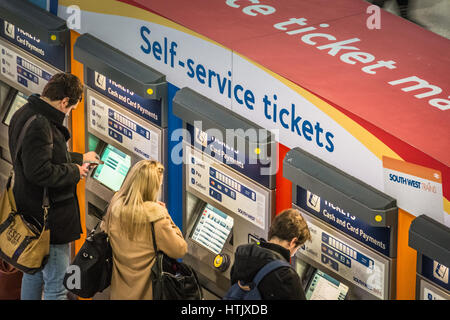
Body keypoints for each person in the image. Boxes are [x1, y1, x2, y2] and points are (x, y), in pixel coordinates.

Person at [8, 73, 99, 300]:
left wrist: (78, 158)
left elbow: (43, 155)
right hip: (49, 219)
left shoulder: (24, 112)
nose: (69, 114)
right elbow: (39, 170)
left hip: (29, 209)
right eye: (72, 108)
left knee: (33, 272)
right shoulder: (42, 124)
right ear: (64, 101)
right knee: (56, 288)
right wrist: (74, 172)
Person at [101, 160, 187, 300]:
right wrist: (165, 214)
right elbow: (180, 249)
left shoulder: (115, 207)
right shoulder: (156, 219)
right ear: (151, 188)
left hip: (119, 292)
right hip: (147, 294)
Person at [229, 208, 311, 300]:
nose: (294, 253)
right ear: (293, 242)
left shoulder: (244, 252)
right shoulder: (287, 276)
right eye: (297, 248)